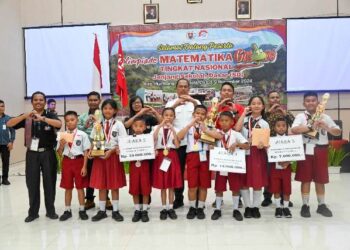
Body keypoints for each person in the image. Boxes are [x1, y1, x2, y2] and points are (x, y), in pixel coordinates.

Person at [7, 91, 62, 223]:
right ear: (32, 102)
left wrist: (42, 118)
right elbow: (9, 123)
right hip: (32, 153)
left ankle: (50, 211)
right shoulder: (27, 116)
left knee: (49, 183)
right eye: (35, 100)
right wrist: (25, 115)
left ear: (45, 101)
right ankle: (33, 212)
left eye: (41, 100)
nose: (38, 102)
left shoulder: (50, 114)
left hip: (48, 153)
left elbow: (59, 124)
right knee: (32, 183)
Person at [291, 91, 341, 218]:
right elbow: (294, 129)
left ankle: (321, 205)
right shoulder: (301, 116)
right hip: (306, 149)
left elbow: (337, 132)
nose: (311, 103)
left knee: (320, 179)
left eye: (313, 100)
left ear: (318, 102)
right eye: (308, 100)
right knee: (305, 178)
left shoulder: (325, 117)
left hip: (321, 149)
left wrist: (326, 127)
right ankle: (305, 205)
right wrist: (310, 126)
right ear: (304, 103)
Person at [178, 105, 222, 220]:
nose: (200, 116)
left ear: (206, 115)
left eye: (203, 114)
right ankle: (192, 207)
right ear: (193, 114)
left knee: (204, 184)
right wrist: (189, 125)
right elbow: (179, 136)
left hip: (205, 156)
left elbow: (219, 136)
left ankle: (201, 207)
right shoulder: (189, 126)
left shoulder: (209, 125)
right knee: (192, 185)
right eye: (197, 113)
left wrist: (206, 130)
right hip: (192, 156)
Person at [89, 99, 127, 222]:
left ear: (115, 110)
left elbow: (123, 142)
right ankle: (102, 211)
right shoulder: (97, 124)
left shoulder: (119, 124)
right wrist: (90, 151)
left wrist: (111, 151)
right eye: (105, 108)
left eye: (110, 108)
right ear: (102, 110)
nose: (108, 110)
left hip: (113, 157)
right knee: (101, 185)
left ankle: (115, 211)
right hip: (99, 156)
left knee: (114, 185)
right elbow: (93, 141)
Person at [166, 78, 200, 209]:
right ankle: (178, 198)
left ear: (189, 88)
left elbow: (202, 115)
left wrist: (192, 100)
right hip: (177, 143)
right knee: (178, 172)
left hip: (194, 142)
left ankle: (195, 199)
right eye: (180, 86)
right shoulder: (170, 103)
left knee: (194, 171)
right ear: (176, 89)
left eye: (186, 86)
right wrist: (175, 105)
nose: (183, 89)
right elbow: (166, 117)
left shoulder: (195, 103)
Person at [211, 111, 249, 221]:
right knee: (219, 188)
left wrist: (237, 144)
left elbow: (247, 146)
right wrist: (211, 146)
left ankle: (236, 209)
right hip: (221, 166)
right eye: (221, 120)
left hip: (233, 167)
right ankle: (217, 209)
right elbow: (210, 142)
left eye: (226, 120)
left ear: (232, 122)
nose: (224, 123)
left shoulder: (236, 134)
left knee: (235, 188)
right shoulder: (217, 133)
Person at [212, 82, 245, 208]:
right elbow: (210, 124)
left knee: (235, 175)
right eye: (224, 90)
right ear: (220, 93)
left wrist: (235, 112)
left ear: (233, 93)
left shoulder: (239, 108)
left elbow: (238, 127)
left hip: (234, 145)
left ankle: (238, 199)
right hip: (219, 145)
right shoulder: (214, 107)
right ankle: (218, 200)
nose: (226, 92)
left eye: (229, 90)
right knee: (219, 175)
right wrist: (217, 107)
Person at [235, 96, 269, 219]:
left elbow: (266, 141)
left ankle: (255, 207)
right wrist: (243, 113)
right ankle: (248, 207)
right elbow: (237, 129)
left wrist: (262, 144)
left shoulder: (264, 123)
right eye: (253, 103)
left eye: (259, 103)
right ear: (249, 106)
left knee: (257, 181)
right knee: (244, 181)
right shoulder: (245, 120)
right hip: (244, 152)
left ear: (263, 107)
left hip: (257, 153)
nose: (256, 105)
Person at [124, 95, 161, 206]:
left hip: (147, 153)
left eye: (139, 102)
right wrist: (139, 114)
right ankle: (138, 204)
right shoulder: (129, 118)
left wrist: (154, 112)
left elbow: (162, 122)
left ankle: (145, 202)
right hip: (134, 154)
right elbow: (126, 125)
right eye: (134, 103)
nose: (137, 104)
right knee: (135, 180)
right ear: (131, 105)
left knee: (146, 178)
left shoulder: (149, 118)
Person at [262, 90, 295, 207]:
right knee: (269, 171)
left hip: (283, 145)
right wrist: (269, 113)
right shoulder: (265, 113)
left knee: (282, 170)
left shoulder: (285, 112)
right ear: (268, 100)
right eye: (272, 98)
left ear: (280, 99)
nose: (275, 99)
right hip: (269, 146)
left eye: (277, 97)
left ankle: (283, 196)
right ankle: (267, 196)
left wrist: (285, 113)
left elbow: (295, 125)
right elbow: (260, 126)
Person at [57, 111, 91, 221]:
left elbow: (86, 151)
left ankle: (82, 209)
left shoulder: (82, 134)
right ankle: (67, 210)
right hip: (67, 161)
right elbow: (59, 153)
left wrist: (84, 166)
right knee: (68, 187)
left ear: (77, 120)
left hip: (79, 161)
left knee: (80, 187)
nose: (70, 122)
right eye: (67, 121)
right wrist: (61, 146)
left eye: (72, 120)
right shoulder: (62, 135)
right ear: (65, 123)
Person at [152, 108, 182, 220]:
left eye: (171, 115)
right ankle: (164, 208)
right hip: (160, 156)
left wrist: (173, 130)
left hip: (171, 155)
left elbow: (177, 145)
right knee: (163, 184)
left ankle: (171, 208)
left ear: (174, 117)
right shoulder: (156, 128)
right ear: (162, 116)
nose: (168, 117)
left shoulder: (177, 129)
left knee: (171, 184)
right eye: (166, 115)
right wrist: (160, 126)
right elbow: (152, 139)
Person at [78, 91, 101, 210]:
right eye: (90, 100)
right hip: (87, 150)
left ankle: (105, 199)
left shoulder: (105, 113)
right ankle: (90, 199)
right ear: (87, 101)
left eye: (95, 100)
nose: (93, 102)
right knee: (89, 174)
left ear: (99, 101)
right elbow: (78, 132)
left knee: (103, 174)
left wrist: (98, 120)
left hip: (101, 147)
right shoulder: (82, 116)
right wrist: (86, 125)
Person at [129, 117, 152, 223]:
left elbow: (152, 151)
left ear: (145, 127)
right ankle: (137, 210)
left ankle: (145, 210)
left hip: (145, 165)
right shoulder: (128, 140)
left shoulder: (148, 138)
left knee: (145, 187)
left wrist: (153, 152)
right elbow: (125, 153)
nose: (138, 128)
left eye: (141, 126)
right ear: (132, 127)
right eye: (136, 126)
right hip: (134, 165)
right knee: (135, 187)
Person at [269, 117, 292, 218]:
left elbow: (295, 153)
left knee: (287, 189)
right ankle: (278, 207)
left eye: (284, 126)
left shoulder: (291, 140)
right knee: (276, 188)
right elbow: (268, 153)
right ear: (274, 128)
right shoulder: (271, 140)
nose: (281, 128)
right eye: (278, 126)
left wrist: (288, 161)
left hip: (286, 168)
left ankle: (286, 208)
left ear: (287, 127)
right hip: (274, 168)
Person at [0, 100, 15, 185]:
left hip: (6, 144)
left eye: (2, 106)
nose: (1, 108)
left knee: (5, 162)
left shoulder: (8, 118)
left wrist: (11, 141)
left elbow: (13, 131)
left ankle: (5, 179)